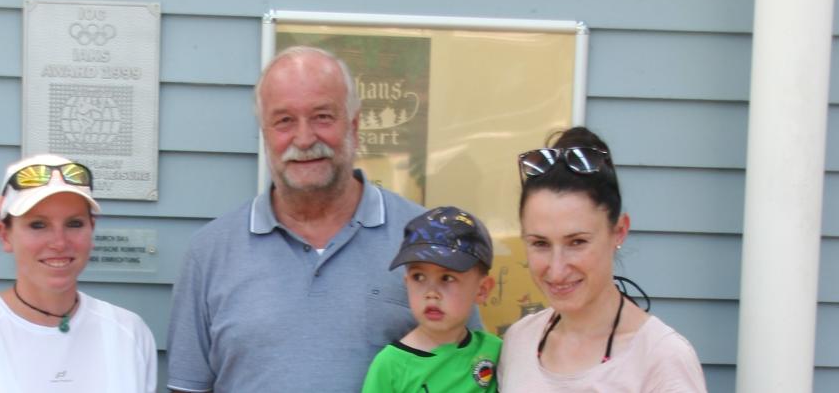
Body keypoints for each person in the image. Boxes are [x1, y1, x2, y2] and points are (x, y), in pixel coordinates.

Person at [165, 46, 481, 392]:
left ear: (354, 126)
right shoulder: (210, 253)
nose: (304, 139)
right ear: (265, 133)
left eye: (322, 117)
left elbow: (470, 372)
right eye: (284, 121)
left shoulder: (428, 239)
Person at [0, 154, 158, 393]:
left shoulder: (129, 333)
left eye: (74, 224)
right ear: (5, 235)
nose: (59, 242)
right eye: (38, 225)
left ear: (92, 229)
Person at [498, 127, 707, 392]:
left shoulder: (661, 358)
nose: (557, 269)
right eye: (540, 243)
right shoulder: (519, 342)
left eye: (577, 242)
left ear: (619, 231)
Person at [362, 206, 501, 392]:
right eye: (418, 277)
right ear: (407, 282)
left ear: (482, 290)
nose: (431, 293)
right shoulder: (389, 366)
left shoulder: (497, 352)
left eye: (447, 278)